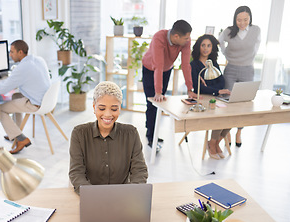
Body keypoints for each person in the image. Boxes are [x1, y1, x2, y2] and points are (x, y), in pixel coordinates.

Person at [69, 81, 148, 194]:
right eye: (101, 108)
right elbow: (76, 173)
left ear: (120, 108)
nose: (107, 114)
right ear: (94, 107)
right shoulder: (79, 134)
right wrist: (91, 195)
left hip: (123, 197)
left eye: (114, 109)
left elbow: (139, 171)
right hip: (90, 197)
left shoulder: (131, 133)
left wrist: (131, 194)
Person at [0, 40, 50, 154]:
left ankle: (21, 139)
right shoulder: (38, 59)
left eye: (12, 52)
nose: (10, 55)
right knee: (15, 96)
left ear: (20, 52)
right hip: (46, 100)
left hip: (35, 104)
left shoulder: (22, 68)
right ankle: (15, 131)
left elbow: (2, 89)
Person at [142, 19, 196, 149]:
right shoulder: (159, 38)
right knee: (153, 102)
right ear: (176, 36)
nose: (188, 40)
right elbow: (158, 66)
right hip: (151, 69)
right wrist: (158, 91)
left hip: (166, 69)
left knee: (159, 103)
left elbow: (185, 65)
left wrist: (190, 88)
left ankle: (150, 127)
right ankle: (151, 136)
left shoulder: (185, 41)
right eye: (186, 38)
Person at [218, 6, 261, 147]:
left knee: (243, 103)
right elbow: (220, 42)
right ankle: (227, 132)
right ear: (235, 19)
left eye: (245, 20)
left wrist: (250, 57)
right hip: (231, 68)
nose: (242, 23)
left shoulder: (256, 30)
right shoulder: (229, 31)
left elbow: (257, 45)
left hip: (248, 69)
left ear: (250, 19)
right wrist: (226, 54)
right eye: (239, 20)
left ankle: (239, 132)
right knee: (228, 101)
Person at [191, 34, 231, 159]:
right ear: (198, 47)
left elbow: (221, 81)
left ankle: (214, 142)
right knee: (219, 116)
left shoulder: (213, 63)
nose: (205, 48)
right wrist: (217, 91)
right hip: (202, 99)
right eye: (203, 45)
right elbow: (199, 88)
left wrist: (216, 90)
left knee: (231, 117)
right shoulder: (194, 65)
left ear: (212, 48)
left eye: (209, 45)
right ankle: (213, 145)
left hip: (215, 97)